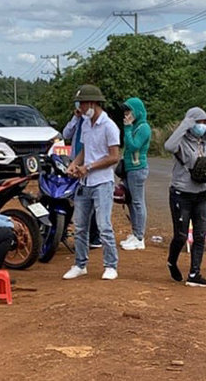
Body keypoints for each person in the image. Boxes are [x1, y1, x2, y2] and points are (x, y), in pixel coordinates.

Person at [164, 107, 206, 288]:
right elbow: (168, 146)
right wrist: (185, 124)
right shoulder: (181, 143)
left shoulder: (205, 145)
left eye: (205, 123)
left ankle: (194, 273)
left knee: (200, 235)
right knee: (181, 235)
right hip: (180, 194)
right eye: (198, 122)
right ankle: (171, 260)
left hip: (200, 195)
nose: (202, 126)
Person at [63, 84, 120, 281]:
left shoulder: (109, 126)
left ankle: (111, 265)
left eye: (82, 103)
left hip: (102, 182)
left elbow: (114, 157)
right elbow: (85, 150)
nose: (80, 107)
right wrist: (75, 164)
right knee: (79, 226)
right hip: (84, 182)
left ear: (92, 103)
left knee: (103, 225)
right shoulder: (86, 123)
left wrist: (89, 167)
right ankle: (80, 264)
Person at [63, 103, 101, 249]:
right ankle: (81, 235)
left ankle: (94, 237)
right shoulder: (78, 120)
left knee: (91, 200)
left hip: (88, 164)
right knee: (77, 199)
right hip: (76, 162)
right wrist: (75, 118)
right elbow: (66, 134)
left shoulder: (92, 121)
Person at [119, 97, 152, 251]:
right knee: (131, 201)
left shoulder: (143, 128)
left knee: (138, 202)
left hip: (137, 169)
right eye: (125, 111)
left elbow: (133, 146)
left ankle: (140, 237)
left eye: (129, 111)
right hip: (129, 169)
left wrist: (127, 128)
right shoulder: (134, 126)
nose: (127, 114)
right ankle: (135, 232)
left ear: (137, 111)